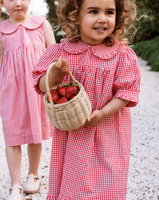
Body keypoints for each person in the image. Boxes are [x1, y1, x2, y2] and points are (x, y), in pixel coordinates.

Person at [33, 0, 141, 199]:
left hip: (108, 129)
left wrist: (104, 112)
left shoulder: (122, 55)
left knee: (108, 177)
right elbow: (40, 85)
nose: (102, 19)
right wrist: (56, 75)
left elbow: (126, 93)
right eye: (93, 11)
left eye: (109, 12)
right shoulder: (60, 52)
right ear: (75, 16)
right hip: (73, 131)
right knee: (74, 180)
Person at [0, 0, 56, 199]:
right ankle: (15, 184)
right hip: (10, 90)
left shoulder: (42, 24)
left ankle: (33, 175)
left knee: (35, 131)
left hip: (35, 88)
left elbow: (54, 55)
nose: (17, 3)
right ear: (1, 2)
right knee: (11, 134)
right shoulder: (1, 30)